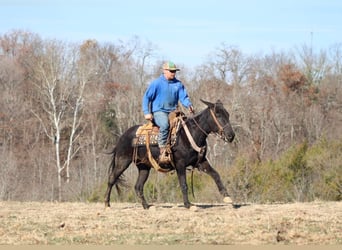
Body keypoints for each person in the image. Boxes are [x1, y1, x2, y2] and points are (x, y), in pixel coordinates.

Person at [142, 61, 194, 164]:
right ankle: (162, 148)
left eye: (174, 71)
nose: (173, 73)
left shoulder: (178, 84)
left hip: (173, 111)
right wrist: (146, 112)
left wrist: (189, 105)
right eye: (171, 71)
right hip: (159, 111)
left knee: (185, 126)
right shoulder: (156, 83)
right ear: (164, 71)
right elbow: (146, 97)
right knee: (165, 125)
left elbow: (183, 97)